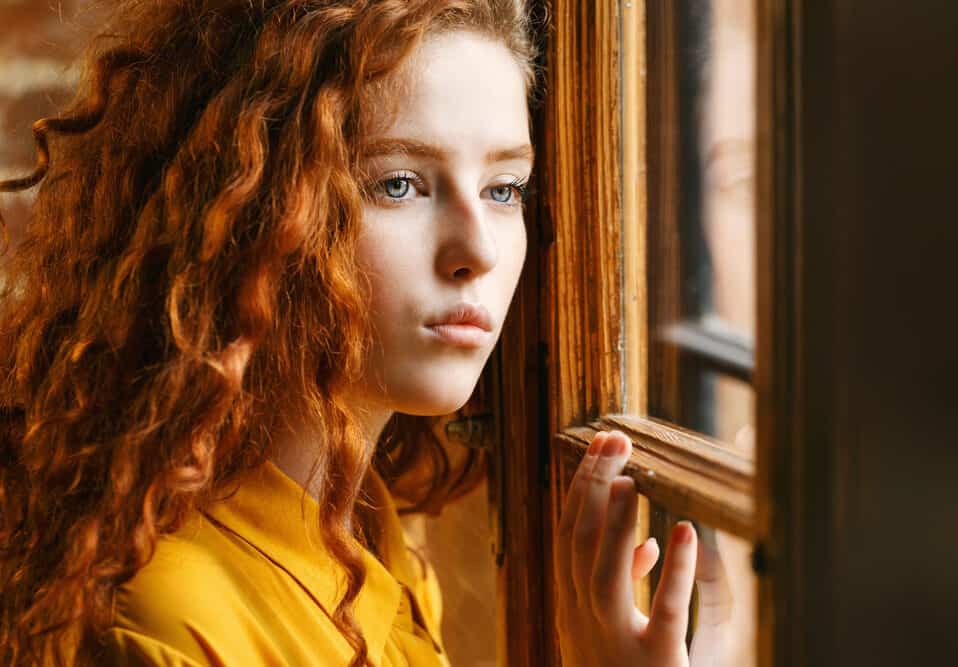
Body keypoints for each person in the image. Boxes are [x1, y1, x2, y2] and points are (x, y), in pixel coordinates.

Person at [0, 1, 732, 665]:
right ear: (258, 207)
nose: (476, 248)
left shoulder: (371, 543)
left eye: (503, 189)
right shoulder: (171, 626)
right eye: (399, 184)